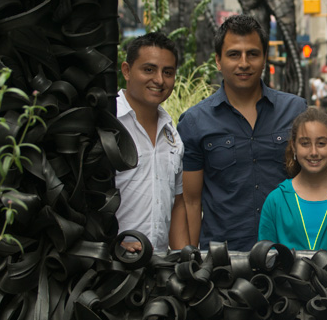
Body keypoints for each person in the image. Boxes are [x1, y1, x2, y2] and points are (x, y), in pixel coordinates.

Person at [177, 14, 307, 251]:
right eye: (234, 54)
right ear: (218, 60)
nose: (244, 63)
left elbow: (316, 181)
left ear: (265, 58)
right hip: (221, 259)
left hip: (288, 253)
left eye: (253, 54)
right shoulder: (195, 122)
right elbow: (190, 202)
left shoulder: (296, 111)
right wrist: (191, 261)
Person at [115, 32, 189, 252]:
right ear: (127, 71)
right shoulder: (107, 124)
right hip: (110, 267)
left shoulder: (172, 134)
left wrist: (182, 262)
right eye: (149, 69)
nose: (159, 80)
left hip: (158, 269)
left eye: (168, 72)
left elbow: (177, 204)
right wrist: (113, 244)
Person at [258, 108, 327, 252]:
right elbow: (265, 261)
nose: (313, 152)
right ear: (294, 146)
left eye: (321, 143)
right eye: (305, 143)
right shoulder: (276, 201)